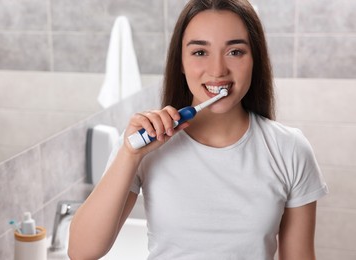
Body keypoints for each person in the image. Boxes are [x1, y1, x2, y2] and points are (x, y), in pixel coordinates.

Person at [68, 0, 328, 259]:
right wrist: (130, 155)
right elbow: (81, 252)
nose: (217, 70)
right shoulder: (142, 144)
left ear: (255, 59)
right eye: (200, 52)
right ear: (180, 61)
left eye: (235, 51)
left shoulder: (290, 149)